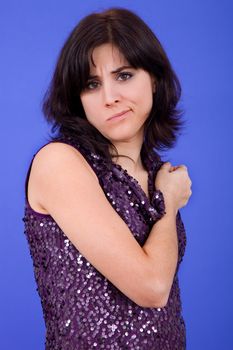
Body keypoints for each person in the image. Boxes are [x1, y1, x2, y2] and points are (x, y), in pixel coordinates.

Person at [23, 7, 192, 350]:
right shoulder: (60, 162)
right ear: (77, 97)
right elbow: (152, 287)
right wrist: (168, 204)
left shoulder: (152, 171)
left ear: (155, 79)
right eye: (92, 84)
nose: (110, 97)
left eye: (124, 75)